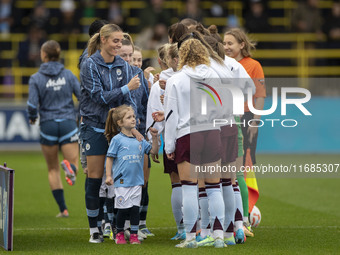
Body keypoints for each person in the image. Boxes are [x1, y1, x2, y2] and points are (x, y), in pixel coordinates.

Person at [153, 39, 227, 248]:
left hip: (187, 134)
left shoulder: (177, 79)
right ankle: (219, 236)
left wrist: (168, 146)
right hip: (212, 132)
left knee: (189, 188)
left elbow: (171, 115)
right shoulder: (215, 75)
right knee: (214, 188)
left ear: (182, 55)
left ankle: (190, 237)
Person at [80, 23, 143, 243]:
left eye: (121, 41)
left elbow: (127, 102)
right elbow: (99, 97)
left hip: (118, 133)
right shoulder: (89, 65)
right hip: (95, 127)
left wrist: (132, 128)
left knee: (122, 181)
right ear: (103, 40)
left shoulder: (122, 66)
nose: (119, 45)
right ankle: (94, 230)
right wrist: (126, 88)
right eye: (115, 41)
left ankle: (119, 227)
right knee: (95, 180)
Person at [27, 40, 80, 218]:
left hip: (48, 125)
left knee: (52, 169)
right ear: (58, 55)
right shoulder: (68, 74)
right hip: (67, 123)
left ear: (44, 55)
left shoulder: (35, 78)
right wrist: (79, 115)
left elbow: (32, 105)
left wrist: (33, 118)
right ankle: (70, 167)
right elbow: (82, 96)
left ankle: (63, 209)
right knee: (74, 162)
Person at [224, 28, 266, 239]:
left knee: (243, 169)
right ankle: (231, 216)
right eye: (224, 43)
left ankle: (245, 216)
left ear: (242, 45)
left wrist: (255, 122)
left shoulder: (253, 65)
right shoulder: (221, 63)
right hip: (226, 118)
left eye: (230, 43)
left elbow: (260, 95)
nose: (226, 47)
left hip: (246, 118)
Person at [105, 105, 159, 245]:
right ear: (120, 123)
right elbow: (110, 158)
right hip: (122, 182)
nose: (133, 119)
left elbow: (153, 151)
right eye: (129, 117)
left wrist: (154, 138)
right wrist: (108, 176)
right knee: (122, 210)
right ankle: (120, 234)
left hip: (137, 181)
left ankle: (134, 235)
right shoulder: (117, 140)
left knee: (135, 210)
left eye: (134, 116)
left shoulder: (140, 139)